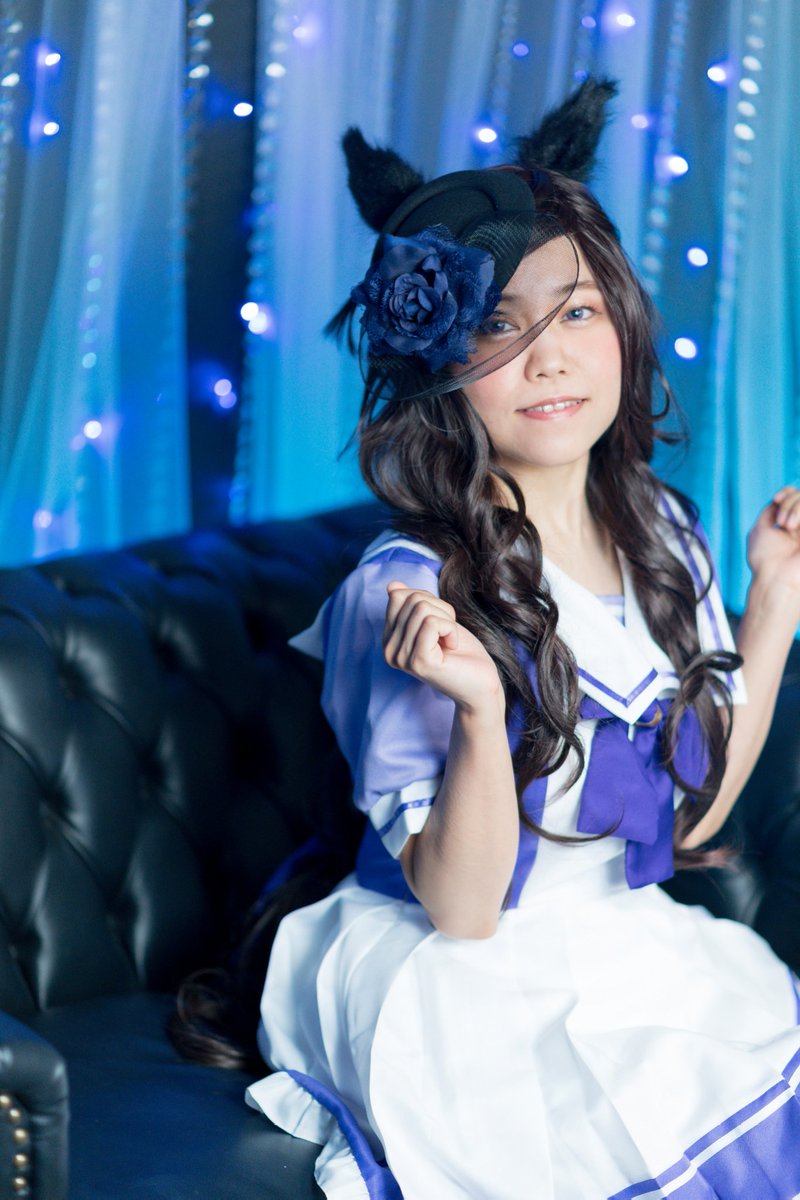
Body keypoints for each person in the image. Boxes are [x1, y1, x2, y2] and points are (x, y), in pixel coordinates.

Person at [191, 79, 800, 1198]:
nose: (549, 358)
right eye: (497, 326)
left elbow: (691, 819)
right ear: (437, 364)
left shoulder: (664, 532)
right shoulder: (405, 591)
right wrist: (479, 710)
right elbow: (464, 912)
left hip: (627, 940)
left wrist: (773, 604)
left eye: (575, 313)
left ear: (622, 323)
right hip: (455, 977)